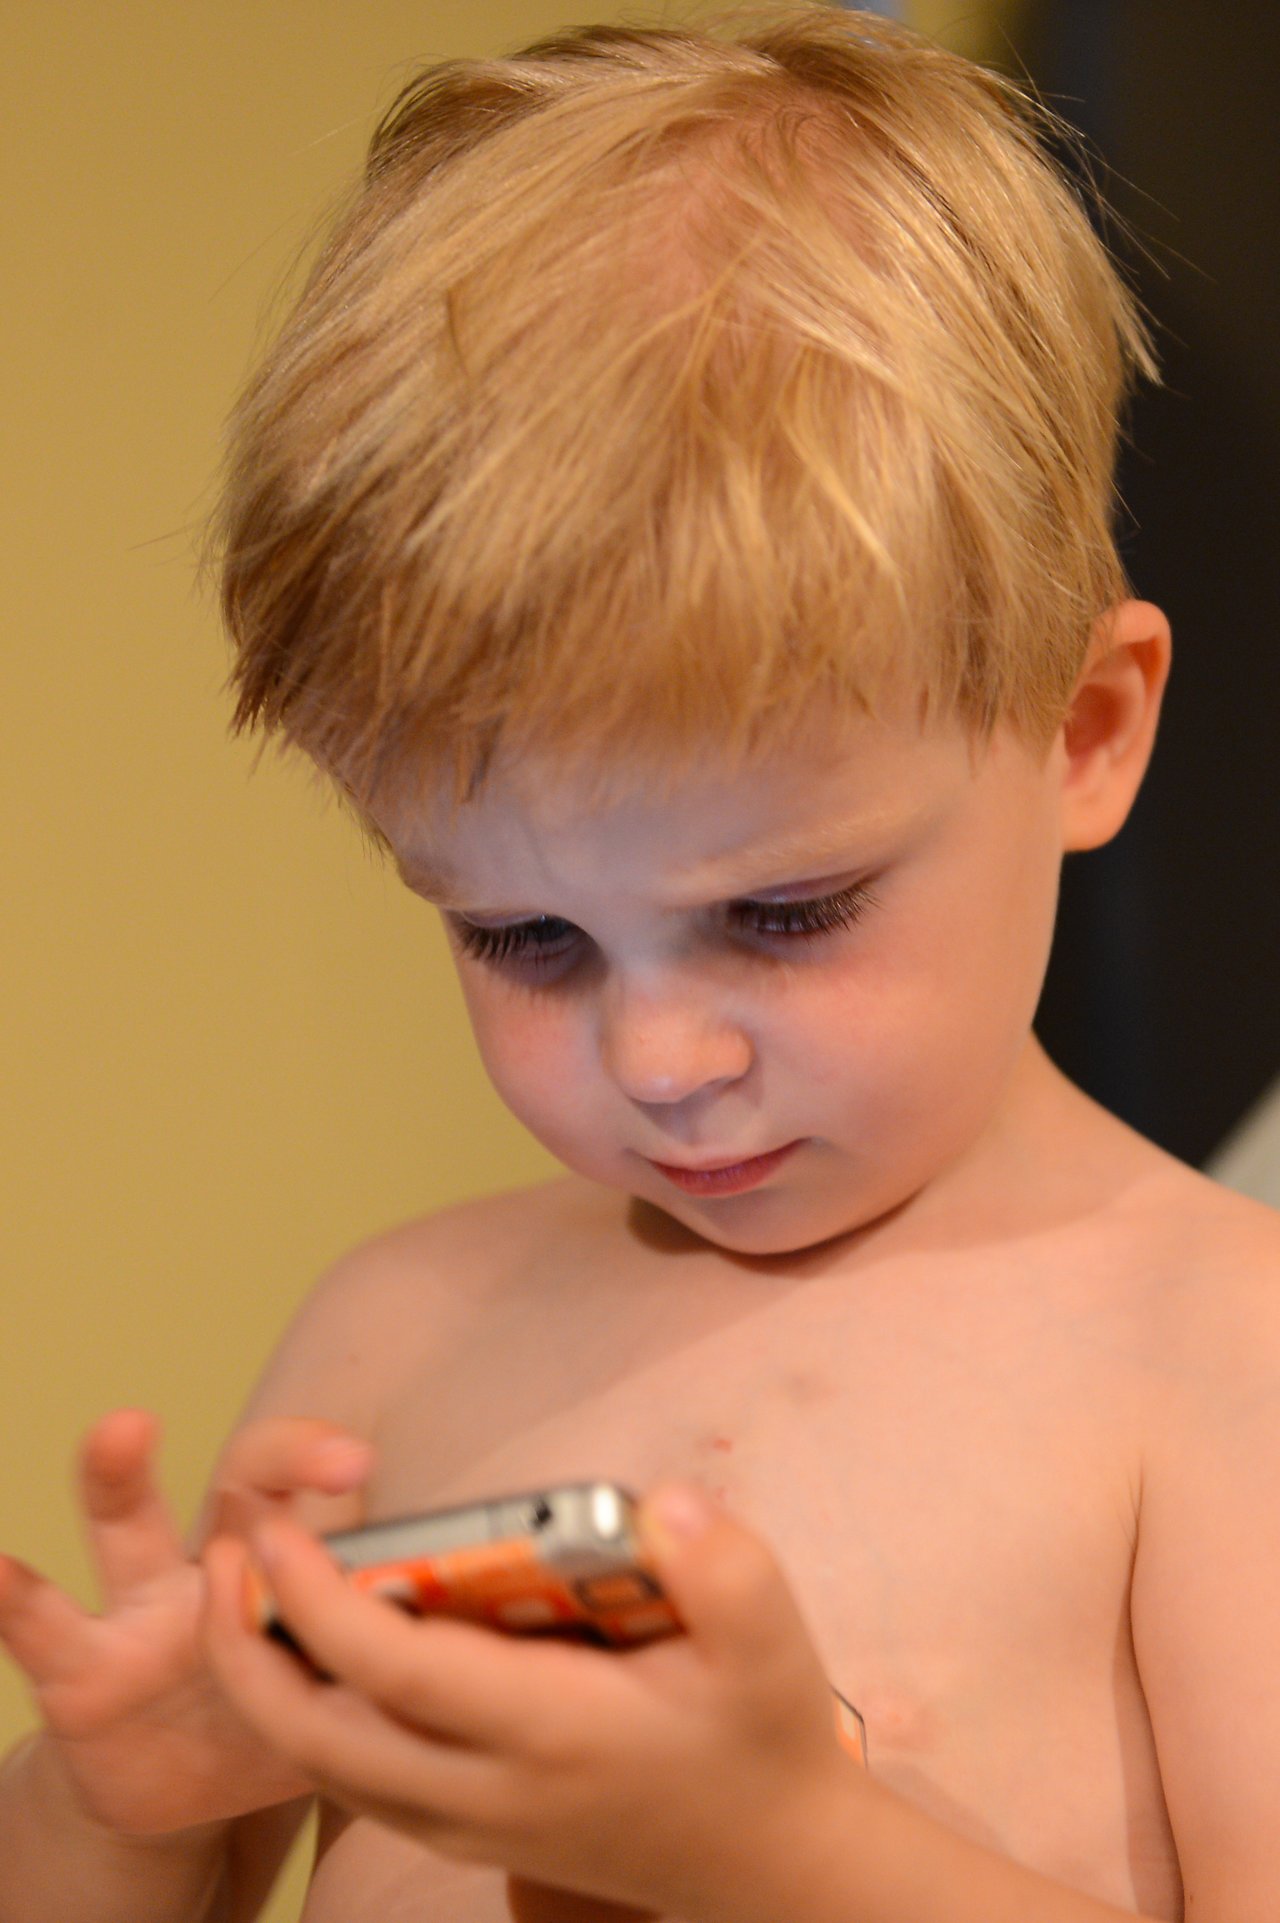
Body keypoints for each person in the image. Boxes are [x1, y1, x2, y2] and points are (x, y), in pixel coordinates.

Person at [2, 6, 1277, 1919]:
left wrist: (784, 1851)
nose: (662, 1055)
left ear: (1085, 730)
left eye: (785, 913)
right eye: (525, 936)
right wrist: (123, 1808)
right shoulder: (398, 1336)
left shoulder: (1214, 1354)